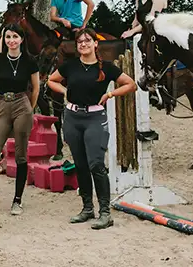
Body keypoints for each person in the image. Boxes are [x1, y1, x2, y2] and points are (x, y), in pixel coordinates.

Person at [47, 28, 136, 230]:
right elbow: (51, 81)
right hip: (72, 117)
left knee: (96, 163)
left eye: (88, 41)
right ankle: (87, 208)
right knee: (80, 165)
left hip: (95, 117)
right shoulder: (70, 66)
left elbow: (130, 84)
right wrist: (65, 91)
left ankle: (105, 212)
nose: (83, 44)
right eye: (80, 41)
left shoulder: (106, 68)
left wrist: (110, 94)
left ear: (96, 44)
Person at [0, 24, 40, 216]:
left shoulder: (30, 61)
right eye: (8, 37)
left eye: (15, 36)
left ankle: (17, 200)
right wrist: (3, 102)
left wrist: (28, 109)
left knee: (20, 155)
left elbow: (35, 88)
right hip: (3, 103)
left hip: (22, 103)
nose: (11, 40)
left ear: (22, 39)